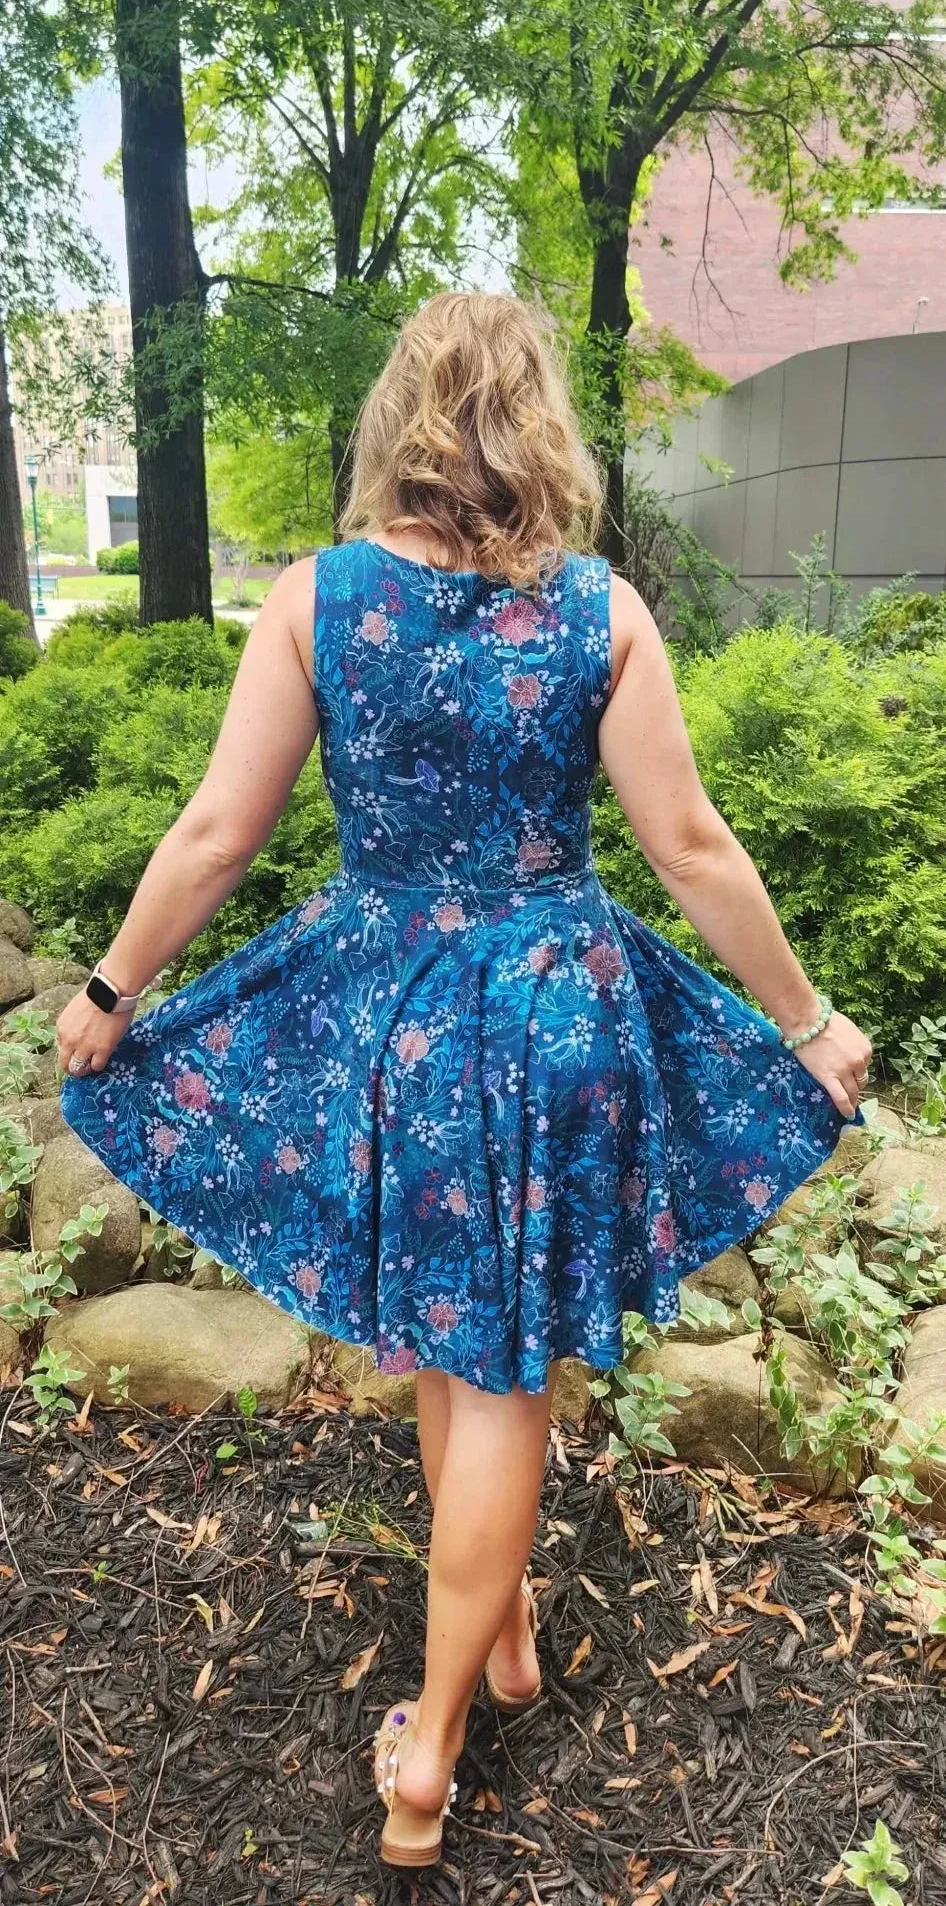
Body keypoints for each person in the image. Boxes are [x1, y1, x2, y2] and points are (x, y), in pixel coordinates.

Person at [57, 290, 871, 1868]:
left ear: (401, 423)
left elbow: (220, 833)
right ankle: (495, 1647)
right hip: (553, 1013)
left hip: (395, 1022)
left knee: (473, 1358)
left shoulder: (320, 599)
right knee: (476, 1349)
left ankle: (423, 1757)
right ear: (540, 429)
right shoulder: (600, 614)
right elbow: (687, 847)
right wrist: (806, 1021)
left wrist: (110, 989)